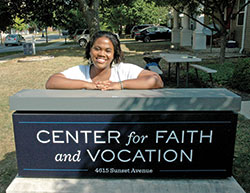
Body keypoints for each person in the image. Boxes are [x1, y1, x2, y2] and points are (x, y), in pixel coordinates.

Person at [45, 31, 163, 90]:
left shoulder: (124, 70)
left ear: (114, 54)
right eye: (97, 49)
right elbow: (51, 82)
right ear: (90, 51)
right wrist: (88, 85)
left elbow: (156, 80)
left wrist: (119, 85)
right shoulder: (80, 71)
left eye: (108, 50)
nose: (102, 54)